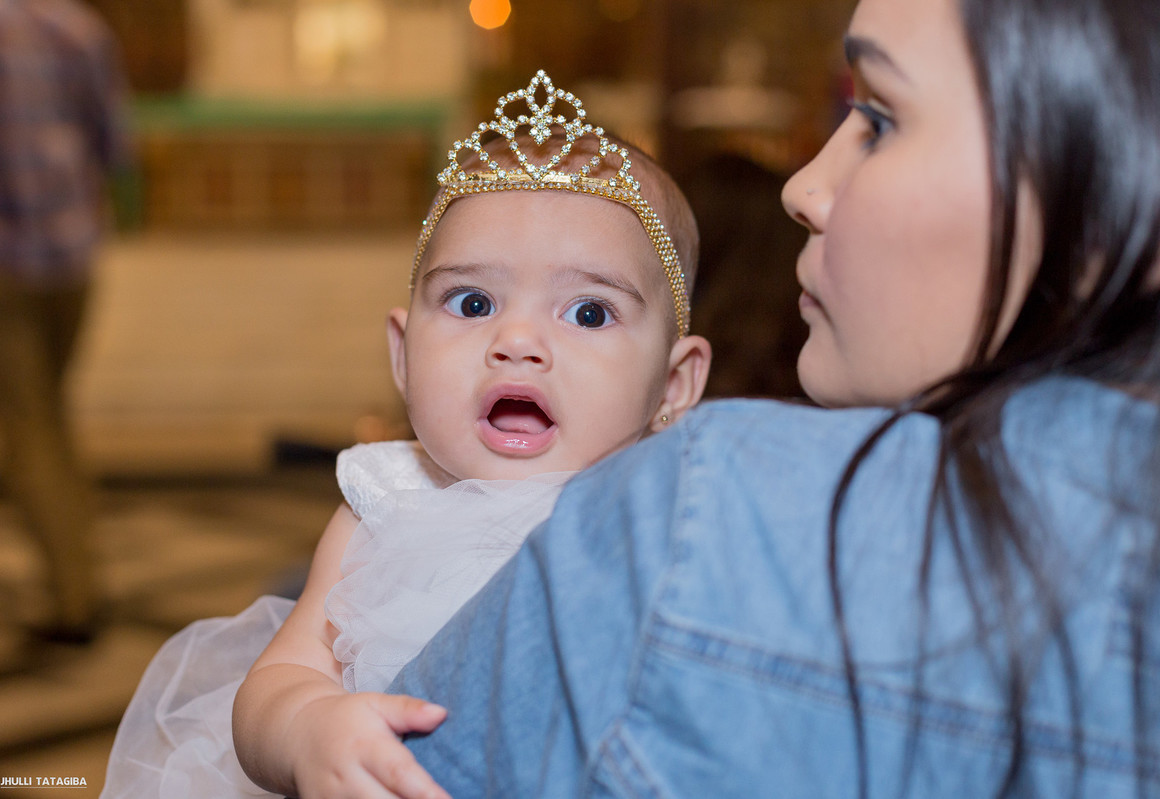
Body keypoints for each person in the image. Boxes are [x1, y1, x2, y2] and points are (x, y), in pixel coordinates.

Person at [366, 0, 1160, 796]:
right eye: (471, 302)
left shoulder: (706, 523)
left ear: (1110, 188)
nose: (804, 187)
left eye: (877, 120)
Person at [101, 69, 712, 799]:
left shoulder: (676, 516)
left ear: (674, 385)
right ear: (402, 351)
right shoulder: (385, 504)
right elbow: (286, 672)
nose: (517, 340)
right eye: (473, 300)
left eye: (587, 312)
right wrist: (306, 728)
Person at [0, 0, 133, 643]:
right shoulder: (79, 29)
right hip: (70, 260)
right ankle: (80, 576)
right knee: (52, 417)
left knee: (25, 427)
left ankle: (71, 598)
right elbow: (116, 146)